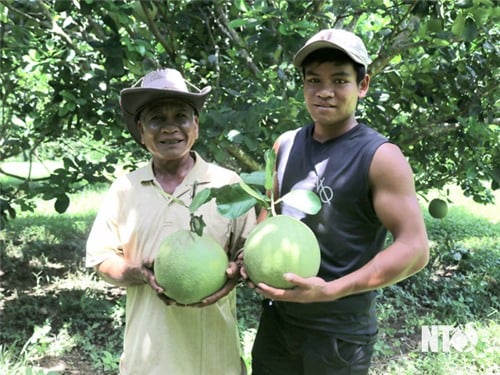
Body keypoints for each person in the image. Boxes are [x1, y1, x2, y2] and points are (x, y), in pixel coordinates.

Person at [247, 29, 430, 375]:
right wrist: (251, 257)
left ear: (363, 86)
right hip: (278, 324)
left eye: (340, 80)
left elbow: (415, 248)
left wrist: (332, 290)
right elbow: (268, 213)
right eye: (314, 80)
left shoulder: (380, 156)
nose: (324, 92)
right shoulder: (284, 145)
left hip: (338, 336)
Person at [86, 68, 256, 375]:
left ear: (196, 126)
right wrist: (137, 272)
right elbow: (101, 259)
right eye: (156, 119)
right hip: (146, 361)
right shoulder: (125, 190)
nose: (170, 128)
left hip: (215, 361)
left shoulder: (227, 185)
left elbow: (249, 254)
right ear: (140, 130)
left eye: (180, 116)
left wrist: (236, 272)